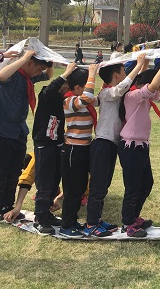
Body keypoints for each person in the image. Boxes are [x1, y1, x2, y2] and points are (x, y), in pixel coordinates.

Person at [0, 49, 53, 221]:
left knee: (14, 171)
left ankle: (8, 205)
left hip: (18, 131)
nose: (38, 73)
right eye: (38, 69)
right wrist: (24, 57)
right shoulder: (13, 74)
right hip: (0, 130)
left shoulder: (28, 77)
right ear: (29, 63)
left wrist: (50, 60)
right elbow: (1, 75)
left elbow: (48, 75)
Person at [84, 54, 147, 237]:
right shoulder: (107, 93)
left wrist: (143, 65)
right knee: (97, 187)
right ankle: (91, 224)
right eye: (123, 71)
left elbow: (130, 84)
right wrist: (138, 65)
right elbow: (123, 87)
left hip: (112, 144)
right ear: (116, 75)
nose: (126, 74)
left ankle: (96, 219)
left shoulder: (116, 92)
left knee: (104, 185)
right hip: (102, 143)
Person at [118, 53, 160, 237]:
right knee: (133, 187)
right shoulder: (132, 95)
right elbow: (153, 87)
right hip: (130, 147)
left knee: (146, 183)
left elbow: (157, 89)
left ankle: (134, 217)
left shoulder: (142, 96)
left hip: (141, 146)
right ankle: (128, 223)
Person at [30, 61, 76, 234]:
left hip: (57, 143)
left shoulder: (62, 99)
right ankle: (39, 218)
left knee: (55, 180)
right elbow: (51, 88)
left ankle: (48, 213)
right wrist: (65, 74)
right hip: (44, 144)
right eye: (65, 85)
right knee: (44, 183)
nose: (66, 89)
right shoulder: (47, 94)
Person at [59, 63, 99, 238]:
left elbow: (97, 98)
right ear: (76, 88)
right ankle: (66, 226)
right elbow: (88, 96)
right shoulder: (70, 101)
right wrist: (92, 73)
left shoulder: (82, 100)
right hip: (72, 150)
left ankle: (73, 220)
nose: (87, 90)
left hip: (84, 148)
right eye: (85, 86)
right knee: (72, 190)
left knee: (81, 187)